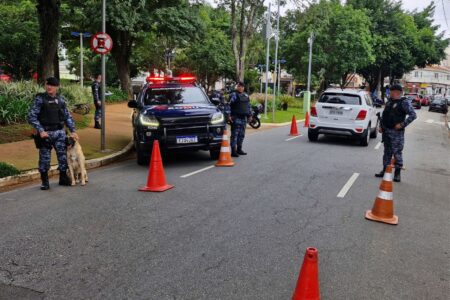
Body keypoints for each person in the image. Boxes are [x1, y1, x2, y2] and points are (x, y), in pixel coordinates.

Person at [28, 77, 79, 190]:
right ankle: (45, 181)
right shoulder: (40, 99)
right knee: (44, 159)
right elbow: (31, 116)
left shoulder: (61, 100)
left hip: (60, 133)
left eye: (52, 85)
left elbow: (67, 117)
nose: (49, 87)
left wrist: (73, 131)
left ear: (57, 87)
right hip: (45, 134)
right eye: (47, 84)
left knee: (62, 157)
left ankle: (62, 178)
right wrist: (40, 130)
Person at [375, 84, 416, 182]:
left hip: (397, 133)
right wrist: (381, 127)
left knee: (397, 153)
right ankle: (385, 170)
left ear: (397, 92)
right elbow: (385, 115)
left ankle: (397, 174)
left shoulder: (404, 102)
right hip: (386, 131)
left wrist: (402, 125)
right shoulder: (389, 101)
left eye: (392, 91)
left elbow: (413, 115)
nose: (390, 93)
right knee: (387, 152)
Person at [227, 81, 252, 157]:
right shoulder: (233, 95)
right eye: (239, 86)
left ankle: (239, 149)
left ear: (243, 88)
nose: (240, 87)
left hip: (243, 118)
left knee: (241, 135)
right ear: (237, 87)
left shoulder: (246, 95)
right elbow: (228, 105)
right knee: (235, 135)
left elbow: (248, 106)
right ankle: (233, 151)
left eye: (242, 86)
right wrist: (228, 115)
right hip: (235, 117)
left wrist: (250, 115)